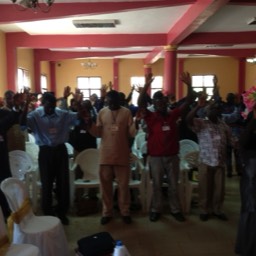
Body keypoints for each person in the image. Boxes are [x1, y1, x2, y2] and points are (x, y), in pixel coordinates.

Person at [20, 87, 85, 225]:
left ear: (55, 104)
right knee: (46, 183)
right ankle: (48, 212)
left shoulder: (61, 113)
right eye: (48, 106)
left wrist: (78, 103)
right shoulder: (36, 115)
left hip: (60, 151)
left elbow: (79, 119)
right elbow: (22, 125)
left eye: (53, 106)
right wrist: (26, 104)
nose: (50, 109)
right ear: (43, 104)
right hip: (45, 152)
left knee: (63, 183)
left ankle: (62, 213)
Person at [137, 72, 194, 222]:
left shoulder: (173, 114)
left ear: (166, 103)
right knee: (156, 185)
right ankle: (156, 209)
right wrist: (146, 86)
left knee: (173, 185)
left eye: (163, 102)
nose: (161, 104)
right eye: (158, 103)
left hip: (172, 156)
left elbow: (189, 101)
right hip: (155, 157)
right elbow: (140, 103)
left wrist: (189, 85)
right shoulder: (150, 116)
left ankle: (175, 210)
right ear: (155, 105)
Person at [86, 89, 136, 225]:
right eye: (108, 102)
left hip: (122, 155)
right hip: (105, 156)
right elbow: (98, 133)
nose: (111, 105)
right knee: (105, 186)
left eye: (113, 103)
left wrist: (137, 123)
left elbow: (131, 133)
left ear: (119, 101)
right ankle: (107, 212)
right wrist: (89, 124)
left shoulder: (126, 112)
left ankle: (125, 211)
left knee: (124, 186)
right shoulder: (102, 112)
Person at [186, 84, 232, 222]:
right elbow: (188, 120)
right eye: (212, 109)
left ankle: (217, 209)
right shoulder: (201, 123)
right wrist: (198, 107)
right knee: (205, 188)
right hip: (205, 161)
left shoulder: (223, 124)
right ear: (207, 111)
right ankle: (204, 210)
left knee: (219, 189)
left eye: (217, 109)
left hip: (220, 161)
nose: (215, 111)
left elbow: (231, 139)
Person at [235, 101, 256, 256]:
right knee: (251, 210)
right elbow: (241, 143)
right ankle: (247, 248)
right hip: (252, 173)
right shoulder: (251, 124)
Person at [0, 102, 21, 218]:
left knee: (5, 184)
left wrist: (16, 107)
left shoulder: (2, 113)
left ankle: (6, 211)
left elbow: (14, 118)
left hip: (2, 158)